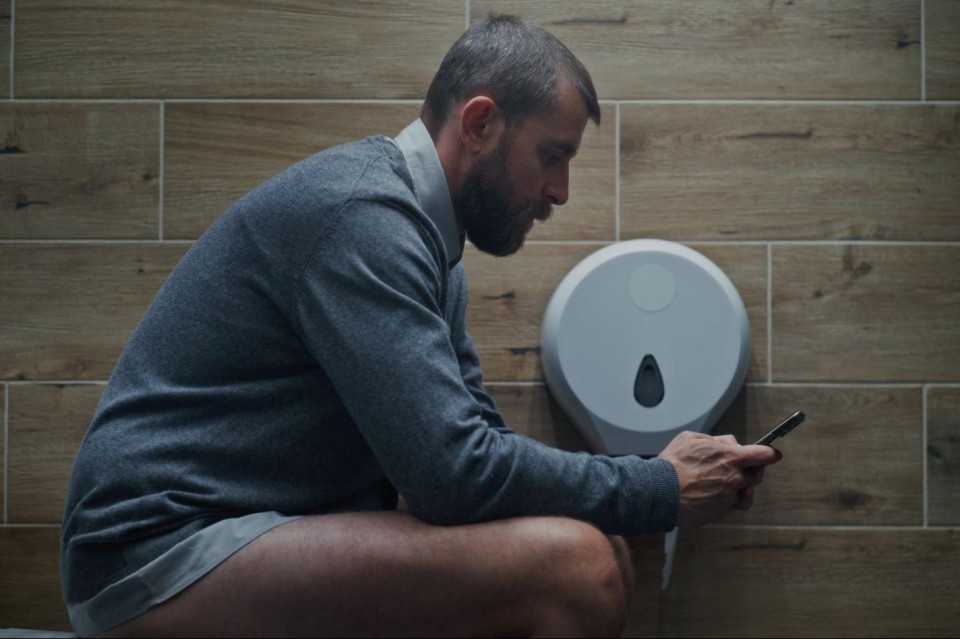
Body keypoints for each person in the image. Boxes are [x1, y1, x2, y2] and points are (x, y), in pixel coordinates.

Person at [61, 15, 781, 638]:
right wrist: (655, 485)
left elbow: (475, 448)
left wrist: (644, 488)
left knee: (594, 549)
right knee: (576, 568)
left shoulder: (427, 247)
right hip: (159, 555)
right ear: (479, 123)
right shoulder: (363, 219)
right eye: (552, 156)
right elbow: (455, 475)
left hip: (248, 533)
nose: (560, 191)